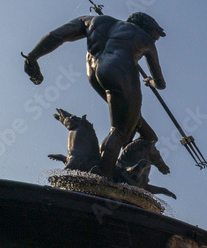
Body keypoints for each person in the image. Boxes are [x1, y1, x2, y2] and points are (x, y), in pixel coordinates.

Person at [23, 12, 167, 179]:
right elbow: (160, 83)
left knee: (134, 123)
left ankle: (111, 165)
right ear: (148, 28)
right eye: (156, 36)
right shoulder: (145, 39)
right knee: (120, 131)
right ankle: (103, 177)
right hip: (120, 72)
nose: (156, 40)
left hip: (93, 71)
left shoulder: (94, 20)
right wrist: (150, 81)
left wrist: (32, 57)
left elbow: (58, 35)